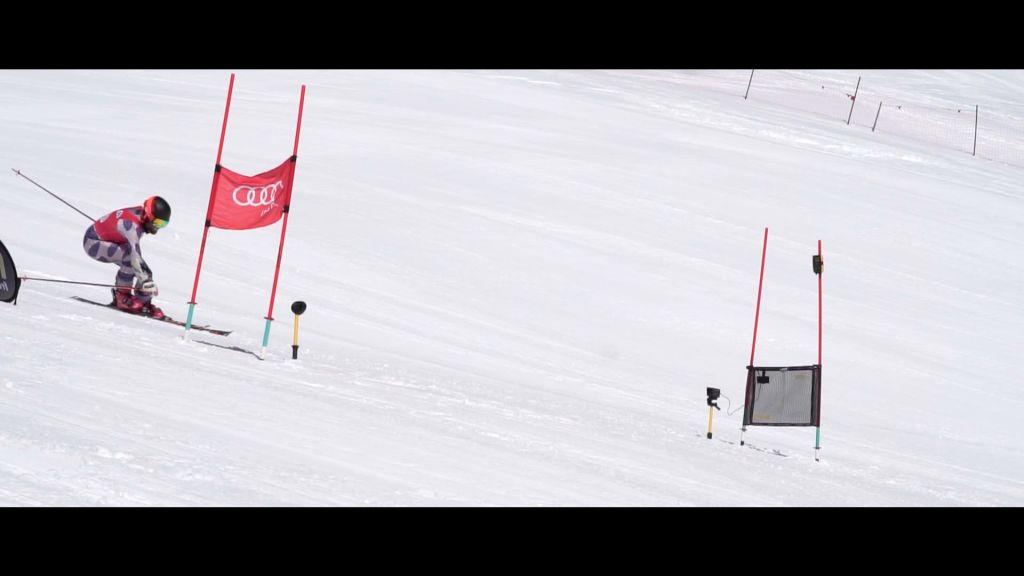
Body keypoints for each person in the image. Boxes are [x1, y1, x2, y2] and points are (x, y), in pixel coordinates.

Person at [83, 196, 170, 319]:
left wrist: (146, 277)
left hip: (111, 240)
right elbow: (134, 253)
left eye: (163, 224)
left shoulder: (141, 216)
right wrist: (144, 279)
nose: (157, 228)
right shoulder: (133, 226)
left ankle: (143, 303)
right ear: (148, 216)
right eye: (157, 223)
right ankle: (122, 297)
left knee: (144, 270)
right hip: (93, 242)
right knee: (129, 260)